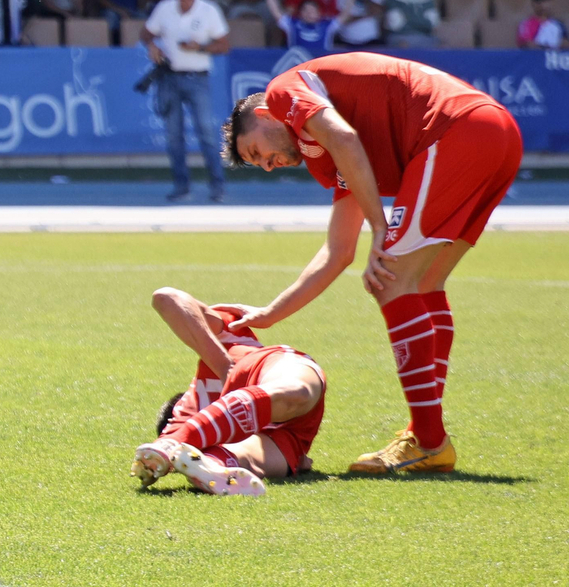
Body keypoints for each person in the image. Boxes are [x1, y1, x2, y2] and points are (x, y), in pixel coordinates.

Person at [221, 52, 523, 473]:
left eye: (259, 151)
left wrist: (381, 230)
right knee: (423, 282)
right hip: (497, 133)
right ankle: (425, 435)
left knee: (389, 279)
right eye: (260, 165)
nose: (269, 166)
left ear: (268, 114)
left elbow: (345, 139)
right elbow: (338, 251)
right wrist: (271, 313)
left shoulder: (282, 91)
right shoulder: (321, 149)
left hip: (456, 129)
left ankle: (430, 442)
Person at [132, 287, 326, 497]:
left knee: (295, 393)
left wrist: (225, 368)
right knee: (248, 455)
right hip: (287, 435)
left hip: (262, 371)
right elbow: (165, 296)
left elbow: (167, 298)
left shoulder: (185, 412)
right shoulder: (181, 423)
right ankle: (212, 465)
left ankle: (185, 445)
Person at [143, 0, 230, 202]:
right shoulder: (164, 8)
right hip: (169, 77)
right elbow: (147, 32)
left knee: (206, 133)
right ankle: (181, 186)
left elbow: (223, 45)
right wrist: (152, 45)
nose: (184, 3)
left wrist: (200, 47)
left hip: (197, 77)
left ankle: (217, 186)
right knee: (173, 136)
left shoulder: (209, 10)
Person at [256, 0, 341, 56]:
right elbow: (276, 12)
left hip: (321, 65)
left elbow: (345, 16)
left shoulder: (327, 25)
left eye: (312, 11)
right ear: (300, 13)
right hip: (298, 64)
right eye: (306, 10)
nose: (309, 13)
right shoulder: (292, 24)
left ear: (319, 13)